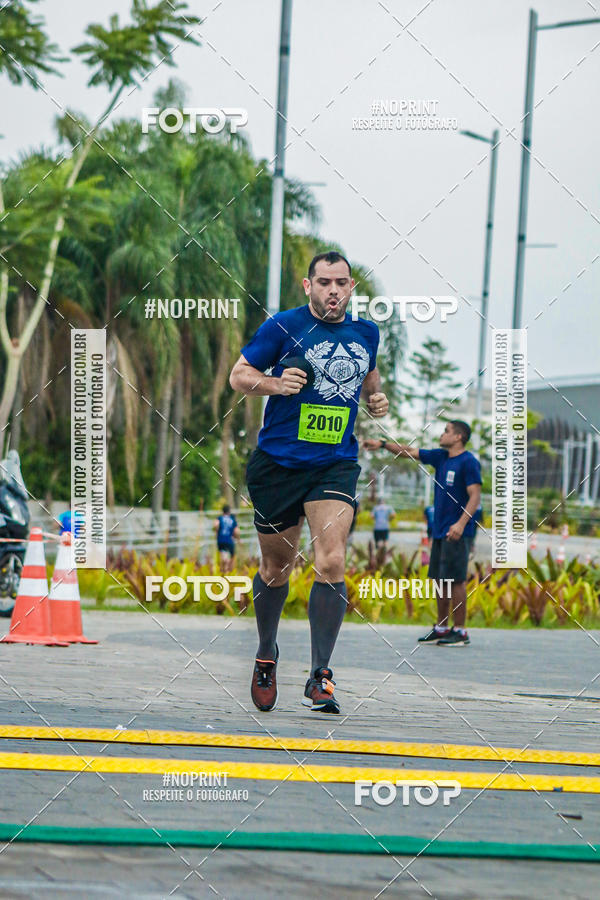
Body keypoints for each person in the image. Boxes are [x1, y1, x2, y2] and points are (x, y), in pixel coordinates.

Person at [229, 251, 388, 713]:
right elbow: (239, 376)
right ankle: (266, 652)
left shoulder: (366, 332)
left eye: (341, 282)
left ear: (351, 287)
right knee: (276, 569)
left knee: (332, 560)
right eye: (324, 282)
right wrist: (275, 384)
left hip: (333, 464)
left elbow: (369, 376)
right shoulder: (283, 325)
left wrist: (376, 398)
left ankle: (320, 675)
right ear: (308, 285)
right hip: (278, 465)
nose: (333, 290)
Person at [364, 420, 481, 646]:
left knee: (456, 580)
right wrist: (383, 444)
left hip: (458, 531)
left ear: (458, 437)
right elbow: (408, 451)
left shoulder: (469, 462)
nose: (442, 434)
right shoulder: (441, 457)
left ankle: (461, 631)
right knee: (440, 579)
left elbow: (475, 496)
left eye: (446, 431)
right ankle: (441, 628)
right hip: (439, 531)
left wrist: (460, 524)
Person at [213, 504, 240, 573]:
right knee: (232, 556)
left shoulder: (219, 518)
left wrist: (217, 532)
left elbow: (215, 525)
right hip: (230, 540)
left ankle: (223, 570)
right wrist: (237, 538)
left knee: (222, 553)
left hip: (220, 539)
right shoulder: (232, 519)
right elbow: (237, 531)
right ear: (229, 511)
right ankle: (229, 571)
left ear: (223, 511)